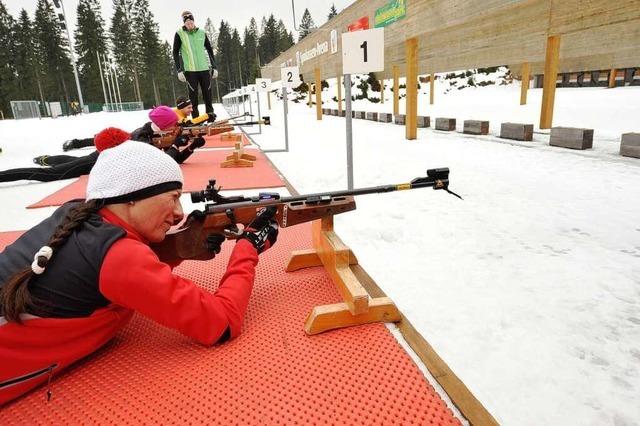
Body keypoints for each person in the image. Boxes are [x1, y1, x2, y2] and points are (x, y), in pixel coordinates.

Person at [0, 140, 279, 405]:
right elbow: (222, 323)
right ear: (132, 197)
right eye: (173, 198)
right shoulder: (120, 257)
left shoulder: (78, 213)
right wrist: (248, 248)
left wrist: (177, 250)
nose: (179, 213)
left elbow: (106, 275)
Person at [60, 98, 202, 152]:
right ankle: (75, 143)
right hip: (125, 142)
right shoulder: (171, 116)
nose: (191, 110)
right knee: (94, 145)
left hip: (134, 137)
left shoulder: (171, 119)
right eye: (188, 108)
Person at [173, 11, 217, 118]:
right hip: (190, 71)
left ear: (194, 21)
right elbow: (175, 52)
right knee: (193, 98)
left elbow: (210, 50)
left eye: (191, 22)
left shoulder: (202, 33)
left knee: (208, 96)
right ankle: (196, 120)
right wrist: (179, 70)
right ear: (184, 23)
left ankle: (210, 118)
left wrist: (214, 67)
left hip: (204, 70)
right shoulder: (180, 34)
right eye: (187, 23)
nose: (189, 25)